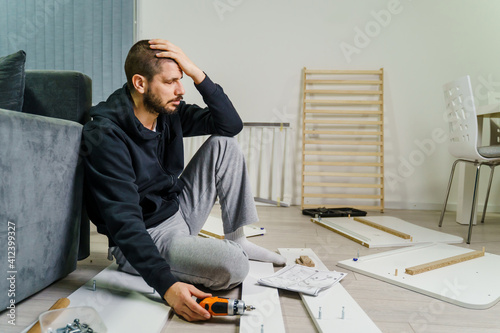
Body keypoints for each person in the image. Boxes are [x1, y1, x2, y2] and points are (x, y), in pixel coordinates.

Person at [81, 39, 286, 322]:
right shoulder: (105, 136)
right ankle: (225, 252)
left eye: (182, 79)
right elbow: (124, 222)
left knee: (224, 144)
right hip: (149, 235)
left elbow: (230, 125)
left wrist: (196, 72)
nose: (181, 90)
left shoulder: (167, 111)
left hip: (178, 210)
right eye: (171, 81)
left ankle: (237, 238)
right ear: (140, 84)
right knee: (235, 266)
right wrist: (167, 287)